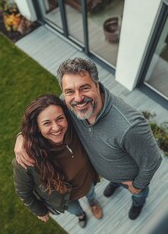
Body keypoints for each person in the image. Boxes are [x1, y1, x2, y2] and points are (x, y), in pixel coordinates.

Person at [14, 58, 162, 220]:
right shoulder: (68, 105)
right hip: (107, 172)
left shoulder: (130, 127)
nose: (78, 98)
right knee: (114, 179)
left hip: (130, 179)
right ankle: (114, 184)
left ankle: (138, 204)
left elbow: (153, 160)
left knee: (140, 195)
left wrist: (137, 185)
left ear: (97, 86)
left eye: (85, 88)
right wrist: (23, 137)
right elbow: (45, 115)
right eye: (69, 91)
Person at [12, 94, 103, 229]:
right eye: (47, 123)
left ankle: (92, 203)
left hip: (87, 180)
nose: (56, 128)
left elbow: (75, 93)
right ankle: (81, 215)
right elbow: (23, 192)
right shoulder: (26, 158)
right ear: (37, 127)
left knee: (91, 193)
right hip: (65, 199)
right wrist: (40, 211)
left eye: (60, 119)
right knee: (74, 209)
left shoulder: (75, 128)